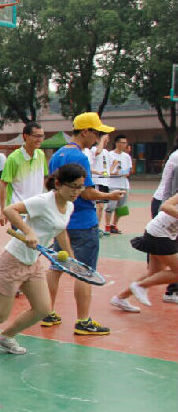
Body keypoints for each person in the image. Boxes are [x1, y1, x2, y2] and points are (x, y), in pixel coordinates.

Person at [0, 164, 87, 355]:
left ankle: (5, 337)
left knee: (43, 309)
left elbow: (60, 229)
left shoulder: (69, 206)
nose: (76, 192)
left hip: (32, 262)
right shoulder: (44, 201)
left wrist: (70, 257)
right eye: (73, 186)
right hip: (12, 261)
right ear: (58, 184)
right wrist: (28, 232)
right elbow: (10, 210)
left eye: (80, 187)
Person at [43, 112, 125, 335]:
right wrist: (110, 196)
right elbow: (86, 193)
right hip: (82, 221)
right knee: (85, 271)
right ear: (85, 131)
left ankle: (47, 312)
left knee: (56, 266)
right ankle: (83, 321)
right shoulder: (80, 157)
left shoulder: (57, 155)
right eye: (96, 133)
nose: (97, 138)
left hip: (62, 221)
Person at [111, 193, 178, 312]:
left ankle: (120, 298)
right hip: (160, 234)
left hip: (163, 233)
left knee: (154, 273)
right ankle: (140, 286)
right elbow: (165, 206)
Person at [0, 122, 47, 227]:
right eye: (36, 136)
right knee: (24, 238)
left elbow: (46, 179)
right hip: (18, 212)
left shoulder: (41, 155)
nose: (39, 139)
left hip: (37, 211)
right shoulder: (13, 158)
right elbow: (3, 185)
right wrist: (3, 211)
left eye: (42, 136)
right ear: (25, 136)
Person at [151, 143, 178, 302]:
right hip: (167, 204)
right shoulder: (177, 157)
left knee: (154, 269)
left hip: (167, 204)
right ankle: (172, 291)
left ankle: (126, 294)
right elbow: (172, 193)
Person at [103, 135, 132, 234]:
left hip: (124, 185)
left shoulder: (126, 156)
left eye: (125, 143)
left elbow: (129, 170)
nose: (124, 145)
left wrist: (125, 173)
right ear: (117, 143)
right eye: (122, 143)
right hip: (112, 184)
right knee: (111, 206)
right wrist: (115, 173)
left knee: (121, 207)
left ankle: (114, 225)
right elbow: (105, 170)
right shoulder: (109, 155)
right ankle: (107, 226)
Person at [86, 134, 110, 234]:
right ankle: (94, 227)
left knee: (101, 207)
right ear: (97, 139)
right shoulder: (93, 150)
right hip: (97, 181)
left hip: (105, 181)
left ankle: (97, 227)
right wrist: (102, 141)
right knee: (98, 206)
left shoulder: (106, 152)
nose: (106, 141)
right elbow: (97, 152)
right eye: (104, 138)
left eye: (107, 139)